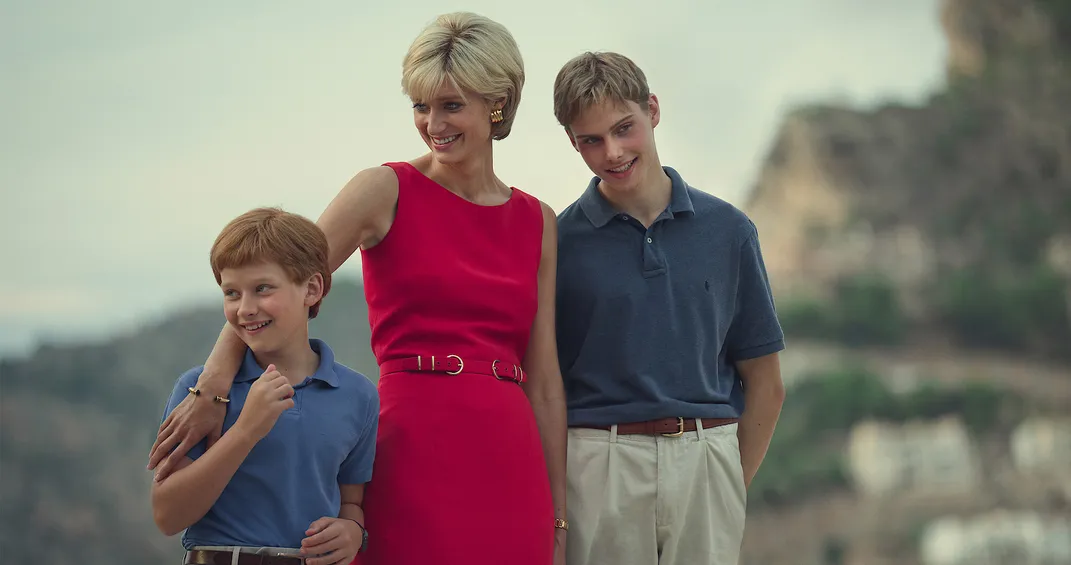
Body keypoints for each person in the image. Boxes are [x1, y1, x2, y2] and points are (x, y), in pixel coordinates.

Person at [147, 12, 568, 565]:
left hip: (510, 461)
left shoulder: (539, 220)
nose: (432, 123)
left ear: (497, 103)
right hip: (411, 447)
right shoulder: (384, 189)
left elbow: (543, 381)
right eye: (421, 105)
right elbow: (277, 288)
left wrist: (559, 517)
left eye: (451, 105)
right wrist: (214, 386)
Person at [551, 51, 787, 565]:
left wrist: (725, 481)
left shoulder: (729, 230)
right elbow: (545, 384)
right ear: (572, 141)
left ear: (652, 111)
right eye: (590, 140)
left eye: (624, 128)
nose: (612, 152)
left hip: (708, 457)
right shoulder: (556, 242)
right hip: (598, 464)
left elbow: (765, 382)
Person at [152, 207, 379, 565]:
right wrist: (245, 431)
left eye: (262, 289)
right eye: (231, 293)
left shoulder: (358, 396)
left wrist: (353, 530)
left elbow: (351, 500)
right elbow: (168, 515)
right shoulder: (199, 393)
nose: (245, 309)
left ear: (312, 288)